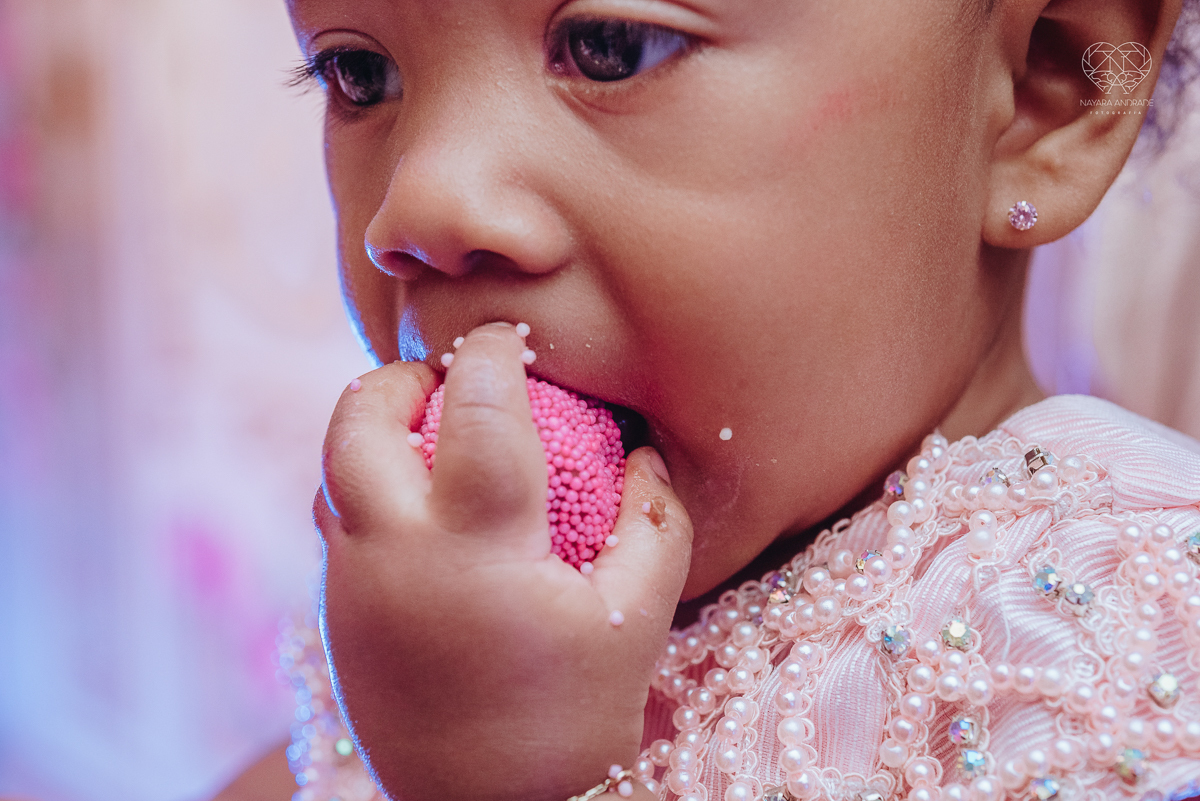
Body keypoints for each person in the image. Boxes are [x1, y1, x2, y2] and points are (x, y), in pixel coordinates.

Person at [223, 0, 1200, 798]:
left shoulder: (1120, 633)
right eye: (360, 74)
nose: (418, 207)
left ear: (1045, 89)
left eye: (609, 48)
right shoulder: (441, 620)